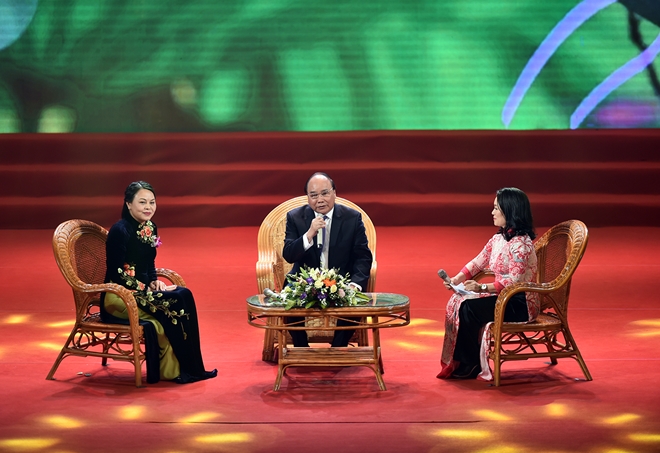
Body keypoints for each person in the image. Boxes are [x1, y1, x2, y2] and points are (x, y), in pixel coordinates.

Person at [100, 181, 217, 384]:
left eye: (152, 202)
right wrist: (145, 288)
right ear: (128, 204)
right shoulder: (120, 230)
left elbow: (149, 262)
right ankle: (176, 371)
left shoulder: (150, 227)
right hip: (119, 296)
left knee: (184, 294)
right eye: (142, 202)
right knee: (174, 303)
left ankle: (193, 368)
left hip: (143, 292)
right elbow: (116, 273)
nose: (148, 207)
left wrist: (154, 281)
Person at [437, 187, 539, 380]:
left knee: (469, 308)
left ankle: (471, 363)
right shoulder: (498, 238)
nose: (492, 212)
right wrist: (457, 279)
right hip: (503, 296)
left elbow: (515, 281)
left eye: (496, 208)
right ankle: (464, 361)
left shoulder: (521, 244)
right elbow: (478, 262)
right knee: (458, 301)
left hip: (519, 302)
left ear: (510, 211)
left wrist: (482, 287)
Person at [282, 172, 373, 347]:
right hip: (305, 282)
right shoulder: (295, 217)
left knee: (354, 300)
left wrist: (354, 285)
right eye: (314, 195)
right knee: (289, 299)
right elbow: (289, 254)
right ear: (308, 198)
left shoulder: (352, 218)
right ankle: (302, 349)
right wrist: (309, 234)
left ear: (334, 193)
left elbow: (363, 257)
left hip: (341, 281)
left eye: (325, 193)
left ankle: (338, 349)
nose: (320, 200)